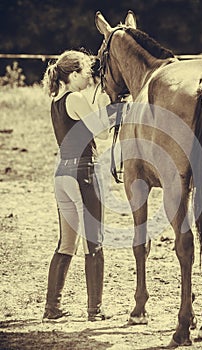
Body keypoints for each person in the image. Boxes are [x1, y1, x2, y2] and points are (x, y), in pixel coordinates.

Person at [42, 50, 111, 321]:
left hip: (61, 175)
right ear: (73, 74)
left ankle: (52, 308)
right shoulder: (77, 98)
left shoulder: (56, 101)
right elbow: (103, 134)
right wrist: (106, 107)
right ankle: (95, 310)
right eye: (85, 72)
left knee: (65, 245)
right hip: (83, 174)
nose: (89, 77)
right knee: (94, 243)